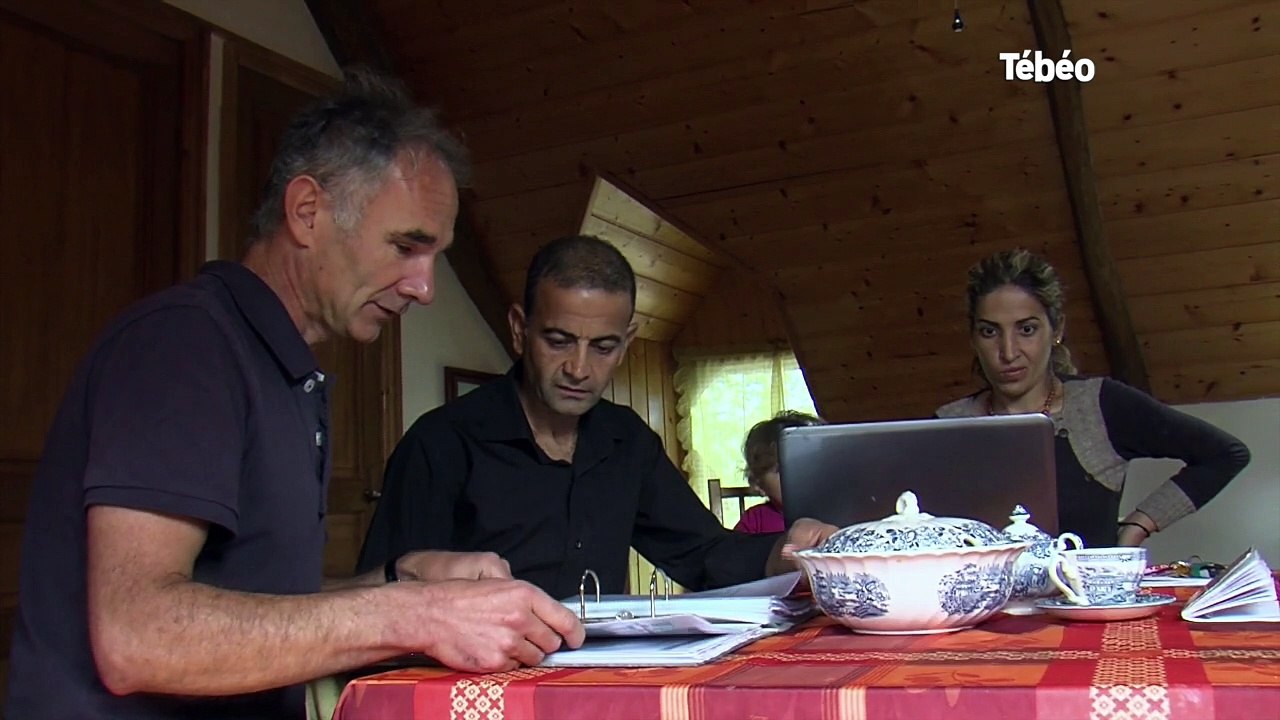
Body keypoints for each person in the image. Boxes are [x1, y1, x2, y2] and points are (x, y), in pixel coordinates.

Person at [5, 69, 583, 720]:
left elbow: (253, 600)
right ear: (307, 212)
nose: (425, 288)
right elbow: (138, 636)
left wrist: (401, 577)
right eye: (406, 247)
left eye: (435, 257)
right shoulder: (184, 344)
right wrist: (414, 614)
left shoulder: (287, 371)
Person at [357, 235, 837, 599]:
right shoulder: (440, 444)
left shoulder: (627, 442)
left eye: (603, 347)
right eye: (559, 340)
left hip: (598, 684)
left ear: (626, 343)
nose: (579, 369)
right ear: (520, 330)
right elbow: (379, 599)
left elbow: (702, 554)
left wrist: (782, 553)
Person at [936, 249, 1251, 549]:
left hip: (1086, 603)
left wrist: (1138, 525)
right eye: (990, 332)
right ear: (973, 338)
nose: (1008, 351)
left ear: (1056, 329)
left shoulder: (1098, 406)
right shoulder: (947, 425)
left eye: (1027, 329)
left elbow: (1225, 454)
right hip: (983, 606)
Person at [735, 411, 825, 535]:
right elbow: (736, 552)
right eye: (783, 470)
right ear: (758, 483)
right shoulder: (754, 520)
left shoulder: (836, 513)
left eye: (809, 467)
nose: (800, 477)